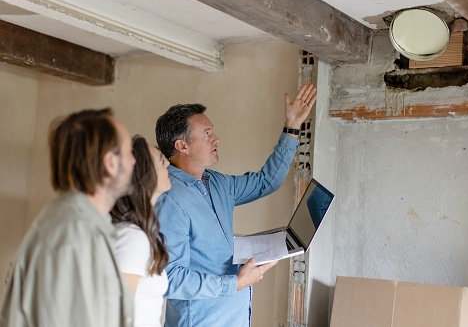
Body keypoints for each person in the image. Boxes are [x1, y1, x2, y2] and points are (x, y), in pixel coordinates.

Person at [154, 84, 317, 326]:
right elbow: (170, 279)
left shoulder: (217, 182)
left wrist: (291, 127)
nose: (216, 139)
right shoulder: (170, 199)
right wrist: (236, 283)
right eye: (207, 133)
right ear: (182, 146)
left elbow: (266, 182)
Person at [0, 108, 136, 327]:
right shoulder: (73, 235)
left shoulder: (83, 226)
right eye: (129, 152)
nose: (134, 162)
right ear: (110, 163)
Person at [111, 135, 172, 327]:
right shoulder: (132, 238)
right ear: (143, 175)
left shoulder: (141, 234)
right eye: (161, 161)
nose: (168, 163)